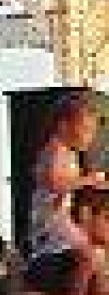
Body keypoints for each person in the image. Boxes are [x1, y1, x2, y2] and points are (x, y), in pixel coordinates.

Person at [31, 92, 107, 255]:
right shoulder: (55, 150)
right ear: (63, 126)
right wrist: (88, 180)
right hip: (49, 223)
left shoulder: (69, 153)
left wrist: (96, 183)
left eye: (93, 132)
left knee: (94, 252)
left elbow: (71, 182)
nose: (90, 138)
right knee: (90, 254)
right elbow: (55, 184)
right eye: (86, 130)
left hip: (61, 219)